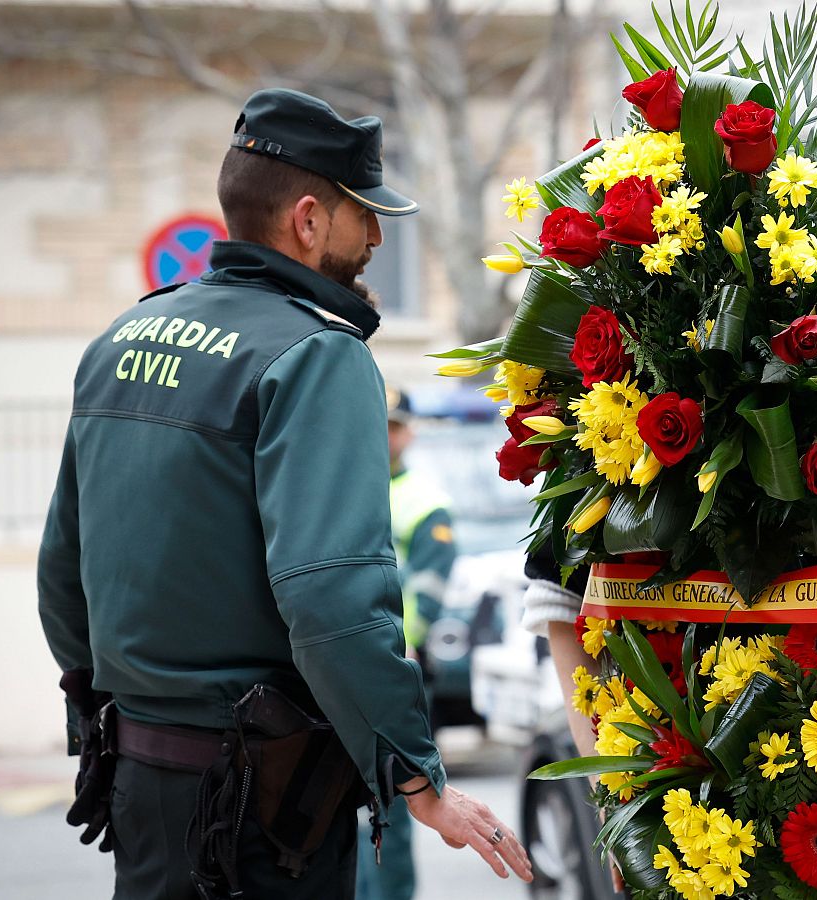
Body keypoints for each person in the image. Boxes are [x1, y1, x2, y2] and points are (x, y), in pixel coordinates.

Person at [37, 87, 531, 898]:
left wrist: (112, 727)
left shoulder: (121, 338)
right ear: (307, 219)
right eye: (362, 214)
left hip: (140, 784)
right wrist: (417, 779)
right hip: (264, 814)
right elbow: (334, 600)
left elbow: (64, 573)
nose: (376, 235)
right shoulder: (315, 356)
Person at [355, 388, 459, 900]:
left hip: (400, 665)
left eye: (395, 425)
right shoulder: (352, 487)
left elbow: (428, 590)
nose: (386, 435)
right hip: (354, 664)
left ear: (409, 431)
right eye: (380, 424)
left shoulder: (425, 499)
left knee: (394, 799)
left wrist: (404, 645)